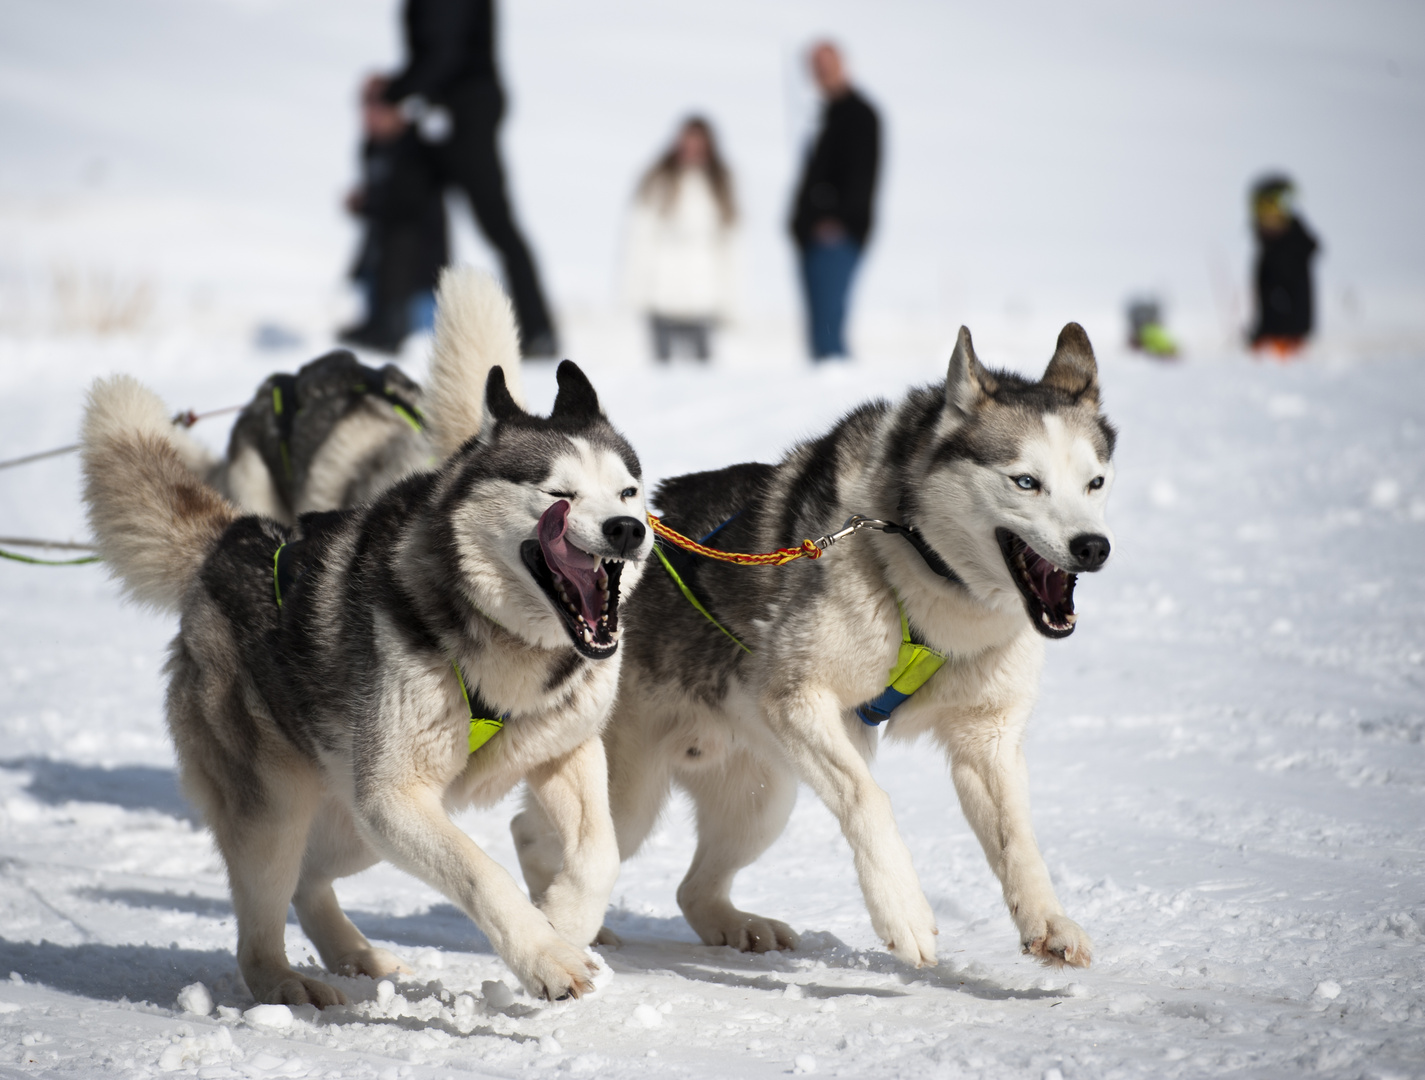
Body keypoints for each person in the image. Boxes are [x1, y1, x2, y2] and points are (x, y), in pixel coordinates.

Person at [377, 0, 559, 357]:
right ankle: (387, 323)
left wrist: (392, 95)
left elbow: (445, 52)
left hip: (467, 116)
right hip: (435, 112)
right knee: (403, 213)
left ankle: (538, 331)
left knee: (496, 224)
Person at [339, 77, 449, 354]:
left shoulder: (416, 149)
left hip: (420, 280)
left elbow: (406, 207)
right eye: (366, 105)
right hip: (380, 277)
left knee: (401, 240)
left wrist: (367, 203)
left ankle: (393, 327)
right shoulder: (373, 149)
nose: (370, 115)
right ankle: (378, 322)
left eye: (379, 105)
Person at [789, 41, 881, 360]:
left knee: (828, 329)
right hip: (814, 237)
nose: (822, 73)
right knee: (818, 329)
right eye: (816, 67)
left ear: (842, 64)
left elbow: (861, 178)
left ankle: (839, 397)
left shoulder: (859, 115)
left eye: (827, 65)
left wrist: (839, 221)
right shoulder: (825, 116)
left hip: (836, 237)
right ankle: (825, 394)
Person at [623, 117, 738, 362]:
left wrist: (731, 300)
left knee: (704, 375)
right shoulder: (657, 182)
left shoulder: (720, 187)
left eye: (698, 145)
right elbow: (639, 239)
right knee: (661, 372)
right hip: (662, 296)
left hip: (703, 298)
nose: (691, 151)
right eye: (686, 143)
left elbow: (731, 247)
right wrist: (636, 289)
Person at [1248, 174, 1319, 359]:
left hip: (1285, 343)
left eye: (1272, 207)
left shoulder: (1290, 250)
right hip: (1272, 342)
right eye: (1262, 208)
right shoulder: (1270, 248)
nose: (1267, 216)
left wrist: (1269, 337)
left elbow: (1287, 302)